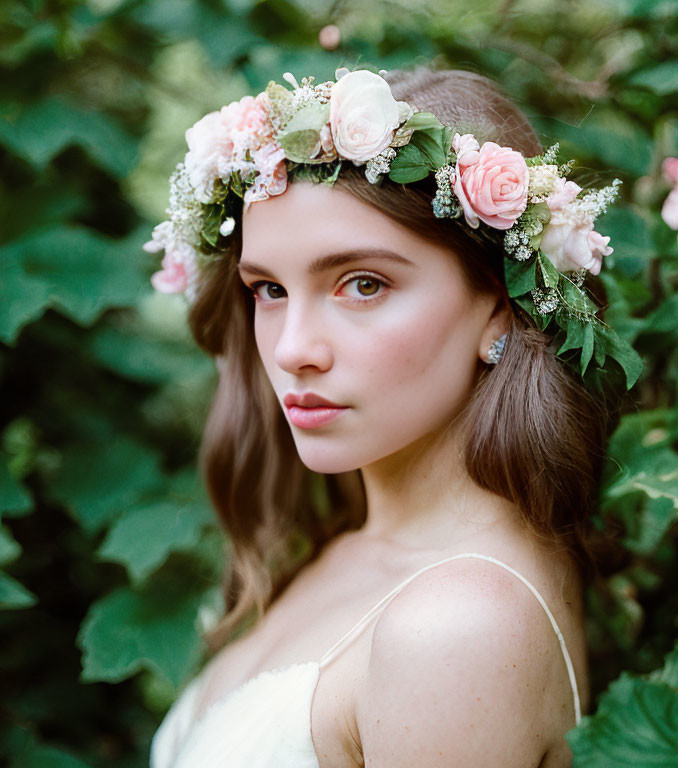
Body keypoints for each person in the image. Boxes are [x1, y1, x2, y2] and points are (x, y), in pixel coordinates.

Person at [145, 64, 634, 768]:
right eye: (270, 289)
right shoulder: (340, 547)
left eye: (363, 284)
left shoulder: (459, 627)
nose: (292, 350)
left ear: (497, 303)